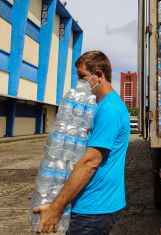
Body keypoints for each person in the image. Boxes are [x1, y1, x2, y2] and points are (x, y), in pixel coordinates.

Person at [33, 51, 130, 234]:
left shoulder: (110, 109)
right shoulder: (100, 106)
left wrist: (56, 208)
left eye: (82, 77)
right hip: (90, 204)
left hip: (94, 208)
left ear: (99, 75)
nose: (79, 83)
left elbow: (90, 162)